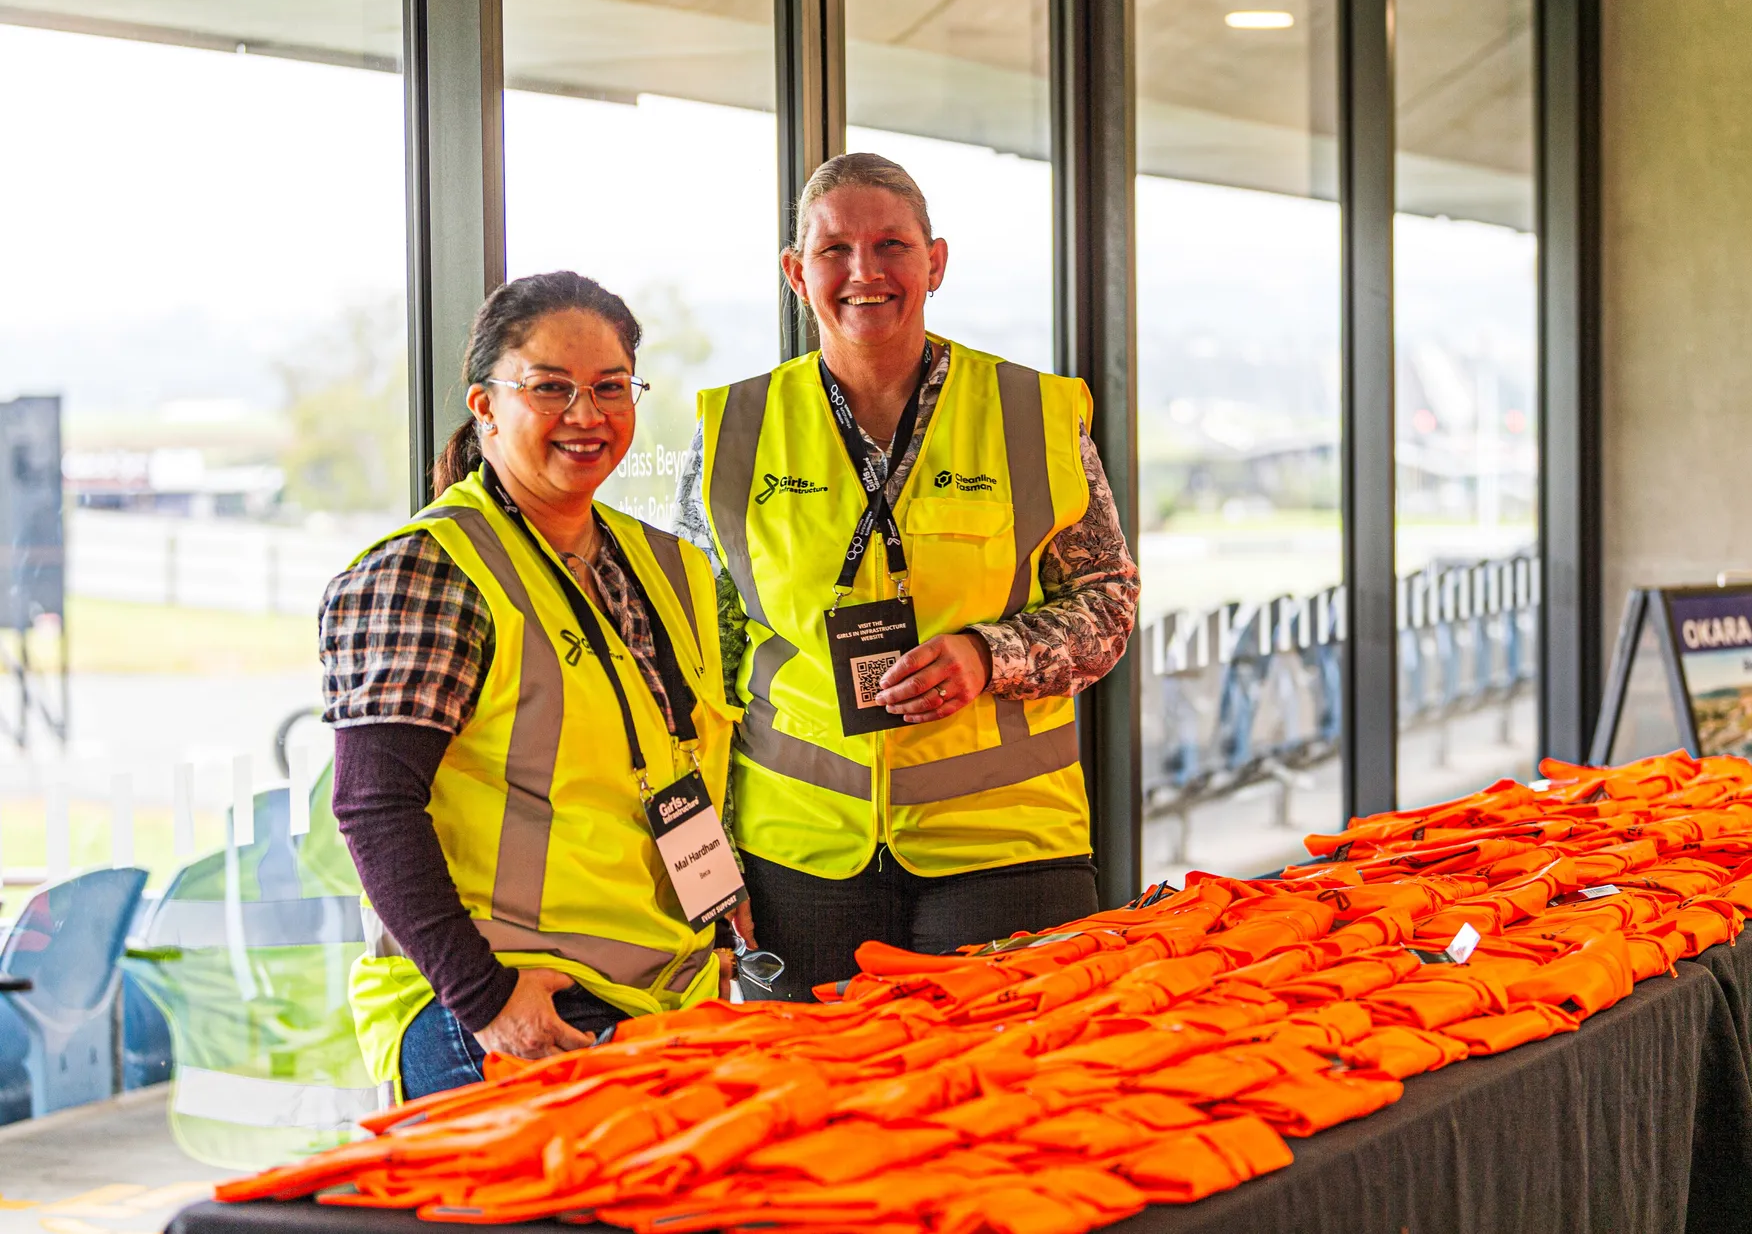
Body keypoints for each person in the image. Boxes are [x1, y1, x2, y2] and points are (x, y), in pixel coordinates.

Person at [673, 153, 1140, 997]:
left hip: (1007, 850)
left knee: (1010, 1112)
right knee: (820, 1116)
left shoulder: (1032, 413)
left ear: (936, 262)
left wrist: (989, 655)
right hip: (795, 858)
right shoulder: (732, 432)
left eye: (892, 244)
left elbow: (1108, 601)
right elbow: (696, 659)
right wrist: (704, 864)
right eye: (834, 250)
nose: (865, 272)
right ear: (794, 272)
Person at [320, 271, 751, 1100]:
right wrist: (486, 1000)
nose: (585, 416)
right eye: (550, 388)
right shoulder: (430, 571)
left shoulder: (671, 565)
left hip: (662, 995)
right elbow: (373, 806)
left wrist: (719, 906)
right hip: (507, 1001)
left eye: (610, 388)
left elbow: (669, 768)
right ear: (484, 406)